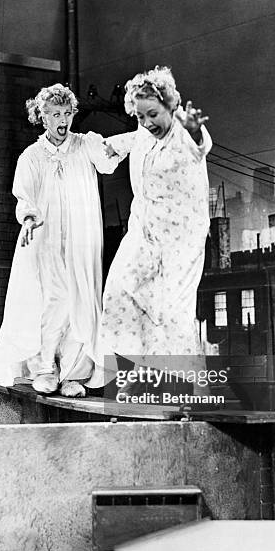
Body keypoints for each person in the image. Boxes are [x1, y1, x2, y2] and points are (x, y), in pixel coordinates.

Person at [0, 84, 118, 397]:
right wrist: (30, 217)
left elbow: (107, 161)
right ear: (42, 118)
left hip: (82, 240)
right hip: (47, 240)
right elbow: (24, 195)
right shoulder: (32, 156)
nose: (62, 119)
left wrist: (132, 138)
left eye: (67, 113)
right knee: (54, 301)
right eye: (55, 114)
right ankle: (46, 367)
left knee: (83, 299)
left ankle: (74, 373)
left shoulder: (85, 144)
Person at [100, 66, 212, 369]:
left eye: (153, 114)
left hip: (181, 238)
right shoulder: (144, 132)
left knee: (171, 311)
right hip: (144, 229)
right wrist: (110, 145)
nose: (147, 123)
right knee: (120, 292)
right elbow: (134, 139)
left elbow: (199, 146)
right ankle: (136, 369)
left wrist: (193, 129)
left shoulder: (181, 130)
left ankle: (189, 383)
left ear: (170, 106)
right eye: (140, 116)